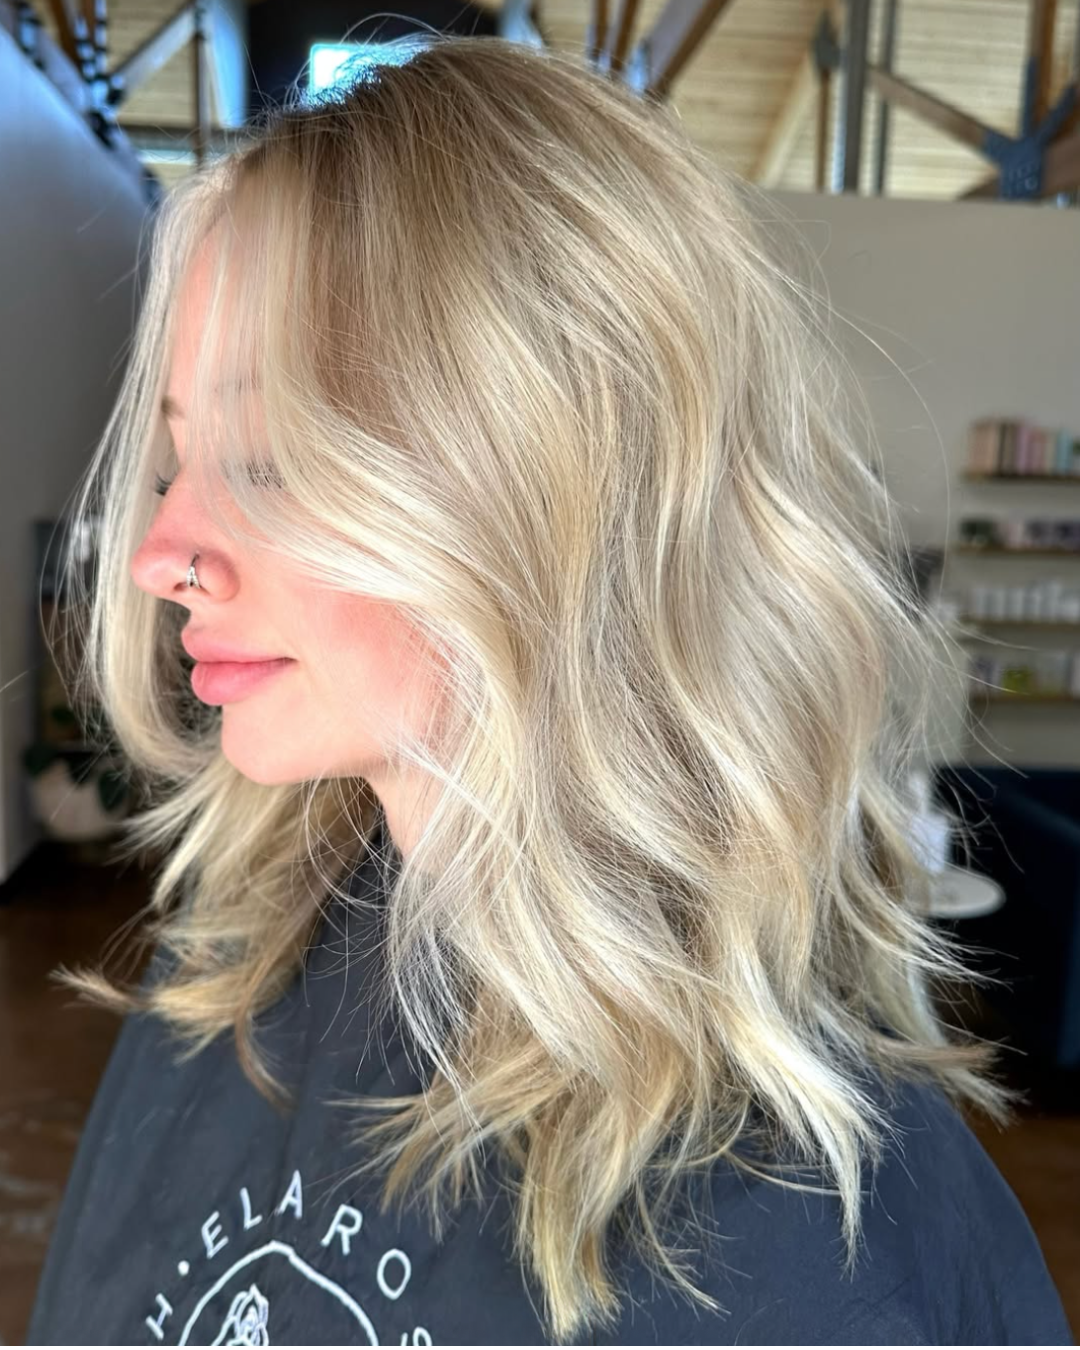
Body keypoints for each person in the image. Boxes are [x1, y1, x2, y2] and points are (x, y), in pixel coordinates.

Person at [27, 33, 1072, 1348]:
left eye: (279, 456)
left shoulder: (798, 1258)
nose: (160, 553)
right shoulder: (249, 951)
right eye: (182, 453)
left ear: (552, 494)